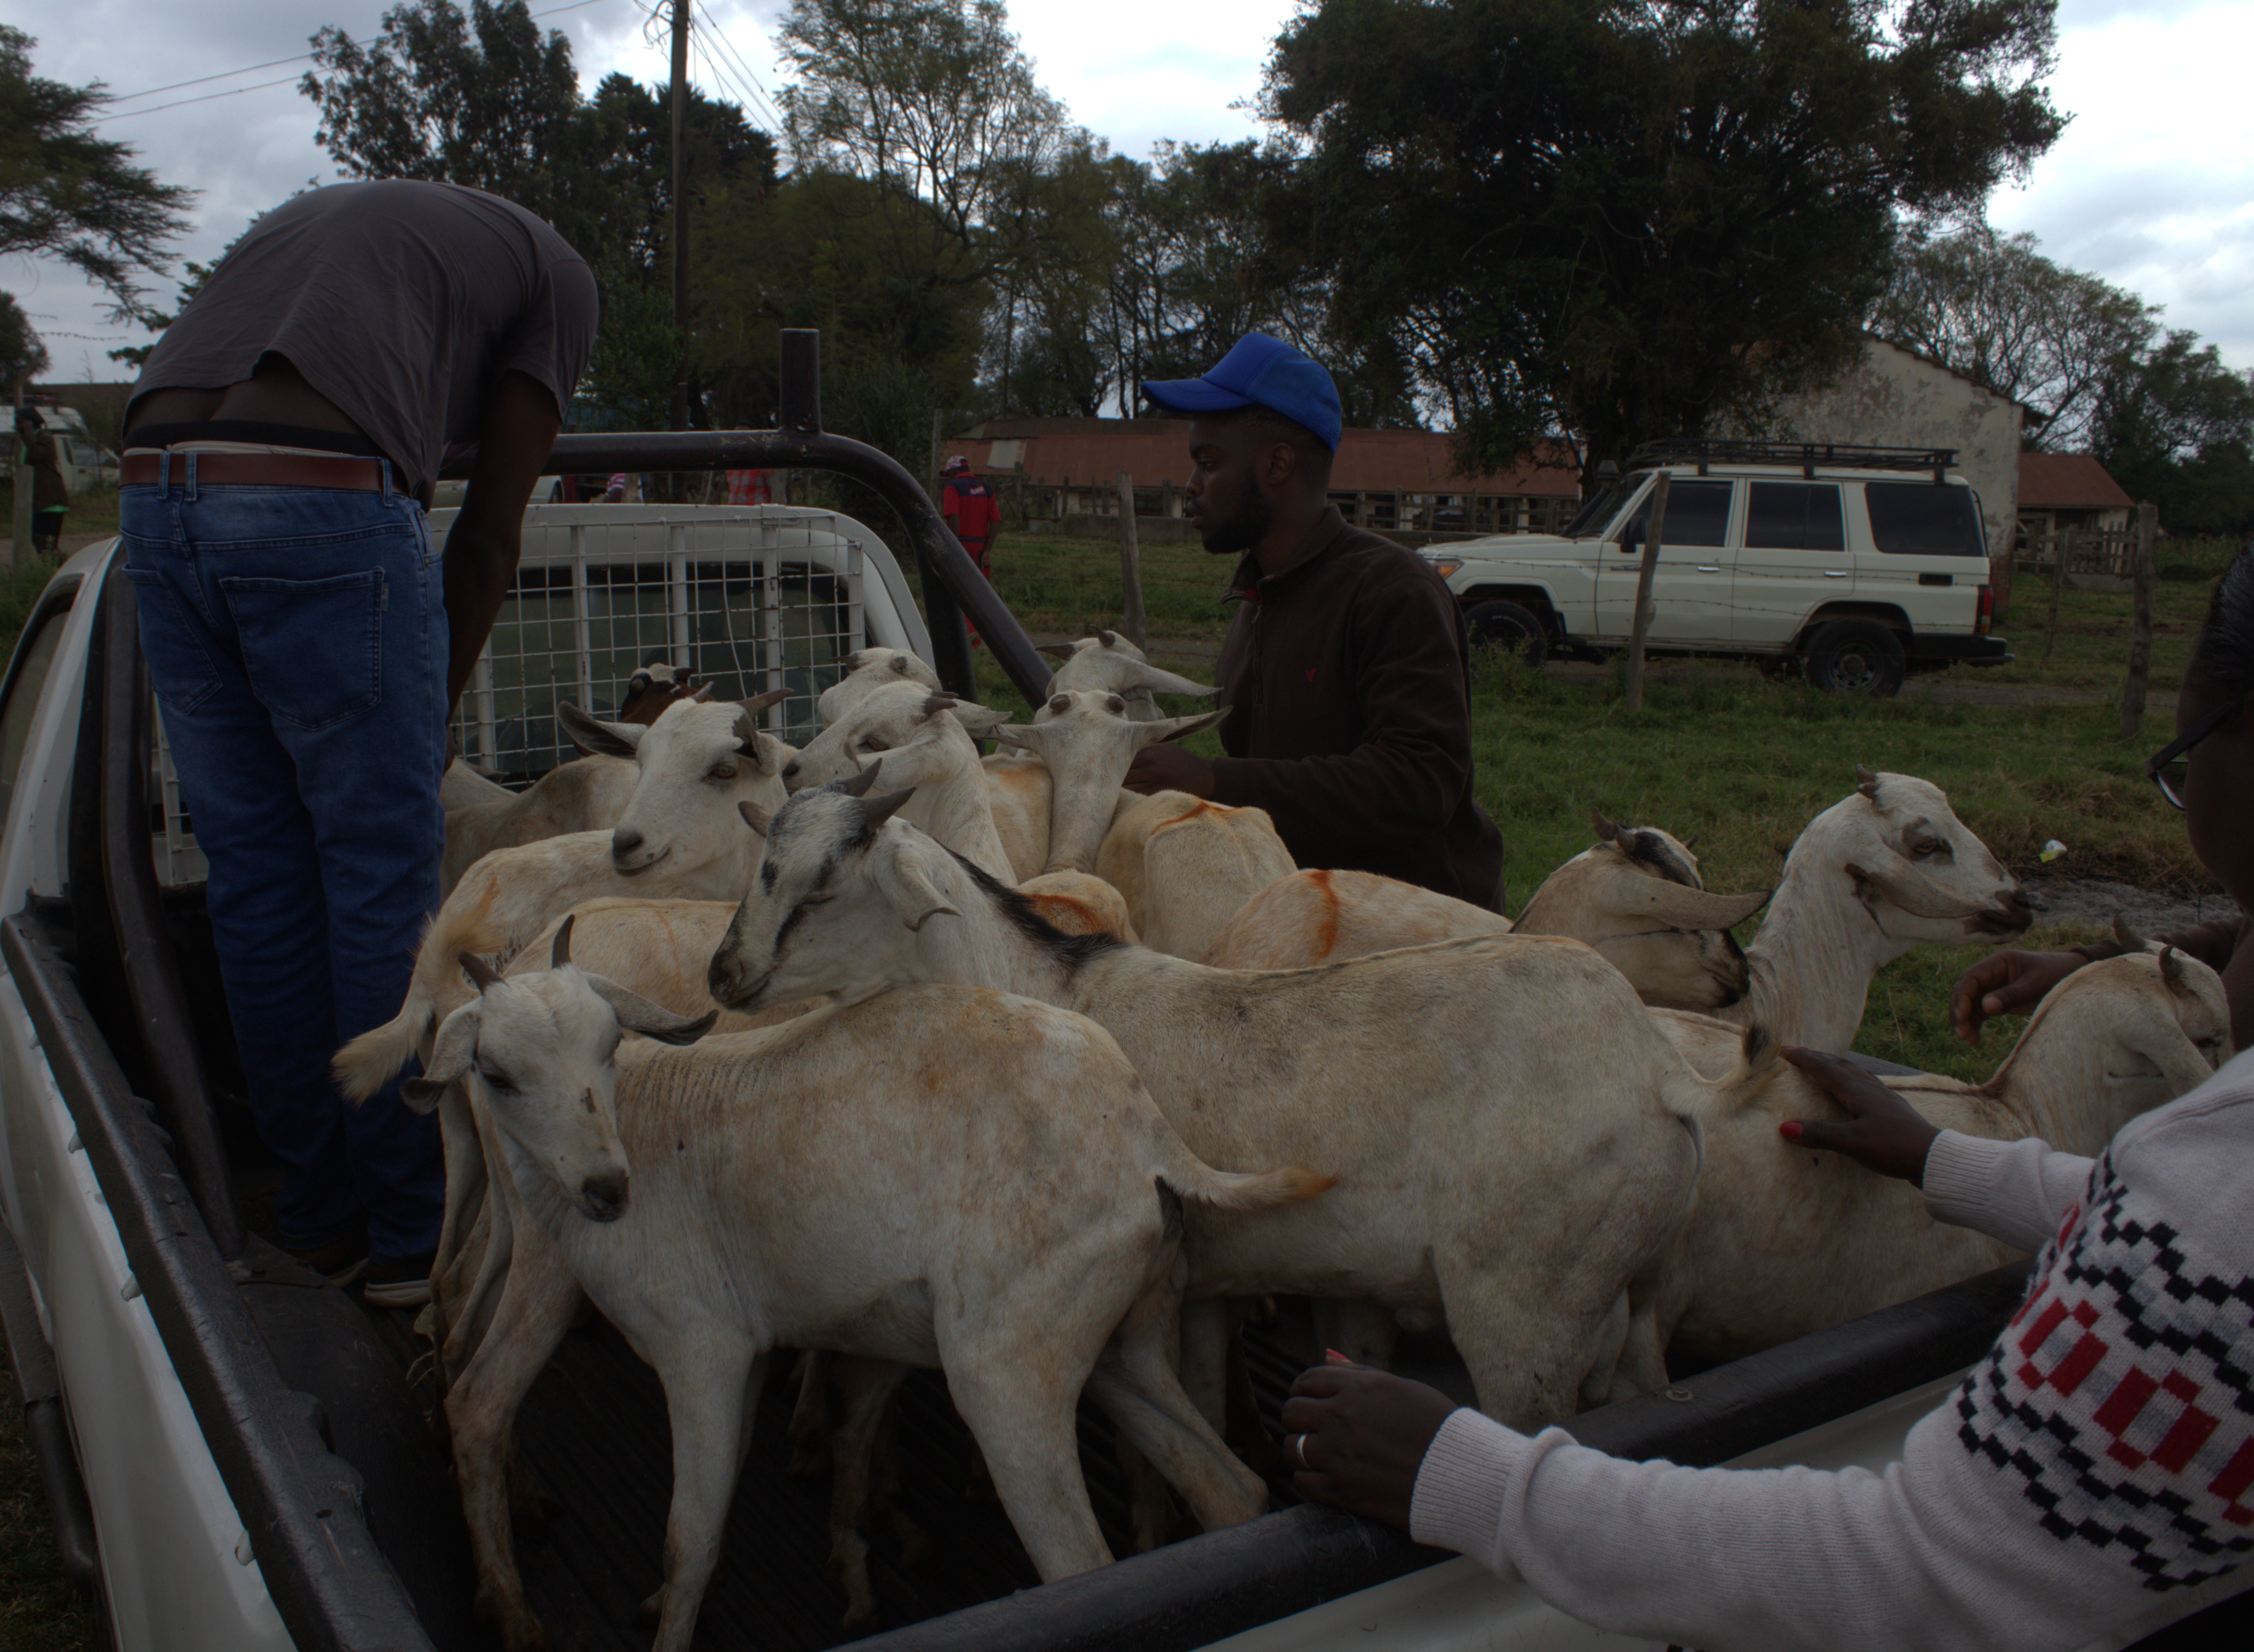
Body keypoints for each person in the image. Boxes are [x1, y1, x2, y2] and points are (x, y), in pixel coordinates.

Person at [1278, 551, 2254, 1650]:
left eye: (2178, 762)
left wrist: (1470, 1474)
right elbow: (2162, 1225)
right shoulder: (2203, 1207)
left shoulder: (2215, 1212)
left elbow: (1919, 1568)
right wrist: (1948, 1161)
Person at [122, 179, 598, 1308]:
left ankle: (318, 1218)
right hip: (318, 494)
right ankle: (409, 1232)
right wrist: (432, 711)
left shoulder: (337, 228)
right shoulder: (560, 280)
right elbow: (486, 535)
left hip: (153, 485)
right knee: (380, 874)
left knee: (255, 873)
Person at [1127, 333, 1505, 909]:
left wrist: (1213, 779)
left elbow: (1419, 781)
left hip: (1417, 937)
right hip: (1303, 916)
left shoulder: (1391, 589)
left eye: (1209, 462)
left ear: (1278, 463)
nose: (1192, 485)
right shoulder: (1260, 594)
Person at [16, 409, 68, 555]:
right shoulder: (30, 443)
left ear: (31, 423)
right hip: (38, 503)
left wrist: (29, 435)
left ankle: (57, 569)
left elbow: (35, 455)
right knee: (39, 543)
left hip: (51, 502)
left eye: (21, 423)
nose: (18, 427)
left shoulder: (45, 439)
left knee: (47, 546)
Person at [939, 454, 1001, 577]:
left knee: (957, 587)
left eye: (950, 473)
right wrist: (988, 549)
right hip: (981, 549)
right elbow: (996, 522)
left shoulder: (952, 487)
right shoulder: (987, 489)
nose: (950, 478)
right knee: (980, 590)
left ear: (955, 470)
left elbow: (954, 517)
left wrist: (953, 547)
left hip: (961, 545)